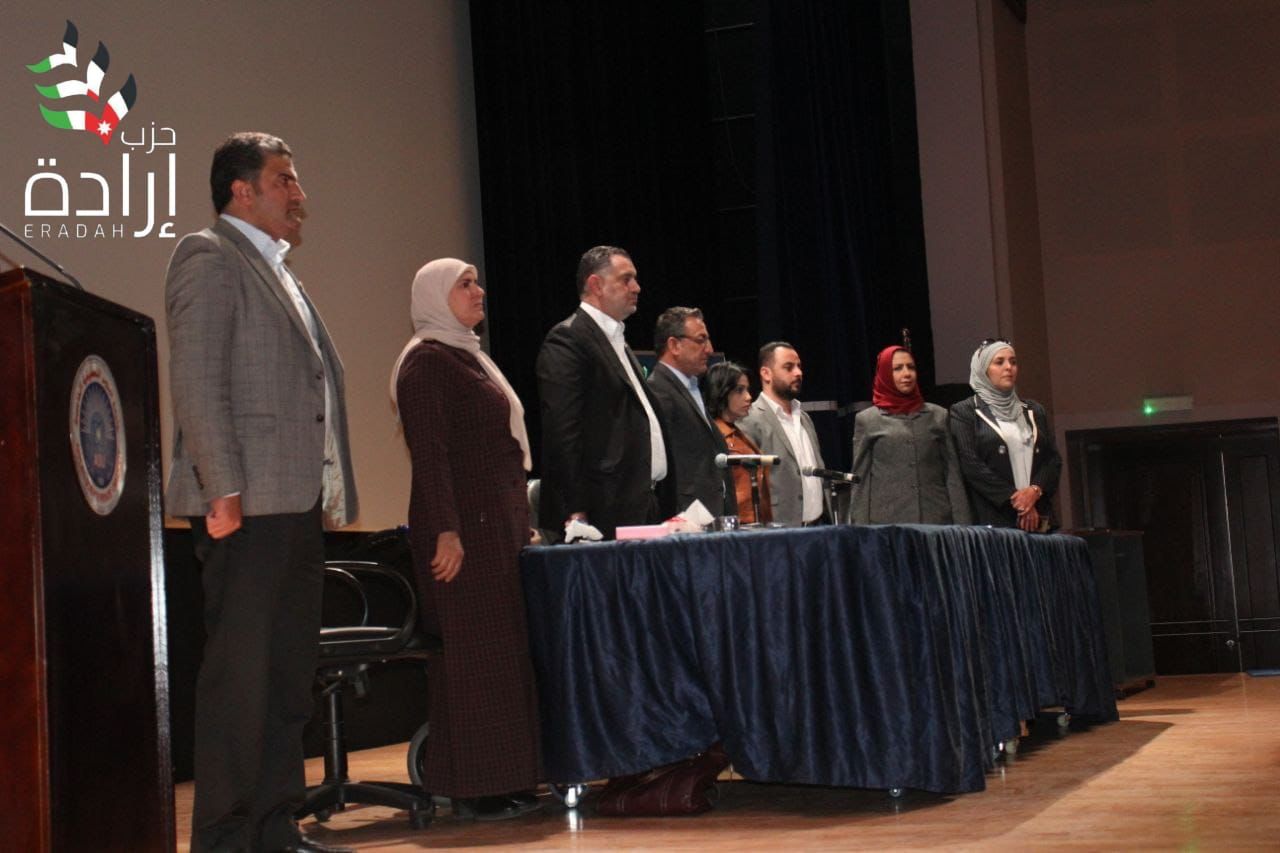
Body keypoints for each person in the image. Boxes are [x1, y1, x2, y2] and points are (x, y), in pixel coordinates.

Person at [166, 132, 357, 853]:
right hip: (244, 507)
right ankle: (222, 839)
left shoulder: (278, 269)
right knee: (239, 685)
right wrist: (223, 489)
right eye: (285, 180)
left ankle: (276, 826)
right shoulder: (210, 255)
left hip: (293, 505)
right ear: (241, 191)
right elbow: (198, 383)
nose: (299, 194)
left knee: (285, 680)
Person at [390, 258, 541, 821]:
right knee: (475, 662)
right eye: (465, 284)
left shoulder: (467, 357)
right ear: (435, 296)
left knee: (500, 657)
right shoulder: (425, 363)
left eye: (477, 281)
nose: (479, 291)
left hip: (493, 530)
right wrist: (446, 531)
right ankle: (476, 789)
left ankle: (504, 778)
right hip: (462, 535)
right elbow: (430, 457)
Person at [536, 245, 672, 539]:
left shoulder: (617, 340)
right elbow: (562, 430)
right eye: (626, 279)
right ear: (596, 284)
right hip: (602, 511)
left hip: (641, 502)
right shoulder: (568, 338)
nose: (637, 287)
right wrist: (576, 510)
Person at [850, 346, 971, 525]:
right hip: (888, 523)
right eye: (897, 368)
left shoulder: (938, 415)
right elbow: (861, 479)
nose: (906, 373)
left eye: (911, 367)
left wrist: (962, 524)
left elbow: (952, 472)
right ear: (884, 373)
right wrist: (860, 530)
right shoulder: (868, 420)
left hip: (935, 518)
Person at [949, 339, 1062, 531]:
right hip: (995, 520)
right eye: (999, 362)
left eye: (1013, 362)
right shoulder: (965, 411)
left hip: (1040, 518)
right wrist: (1017, 501)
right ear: (983, 369)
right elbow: (971, 465)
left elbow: (1052, 460)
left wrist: (1034, 491)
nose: (1009, 367)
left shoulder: (1034, 410)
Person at [647, 306, 736, 517]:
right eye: (701, 340)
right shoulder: (658, 391)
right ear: (674, 345)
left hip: (712, 517)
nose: (710, 349)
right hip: (685, 521)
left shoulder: (691, 388)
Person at [739, 341, 827, 526]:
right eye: (789, 367)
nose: (798, 373)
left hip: (818, 525)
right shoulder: (750, 419)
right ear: (766, 373)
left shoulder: (804, 417)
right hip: (779, 529)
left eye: (799, 366)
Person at [703, 361, 772, 524]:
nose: (748, 397)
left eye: (747, 389)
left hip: (754, 525)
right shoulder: (713, 438)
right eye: (739, 390)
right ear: (721, 392)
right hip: (735, 527)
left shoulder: (738, 433)